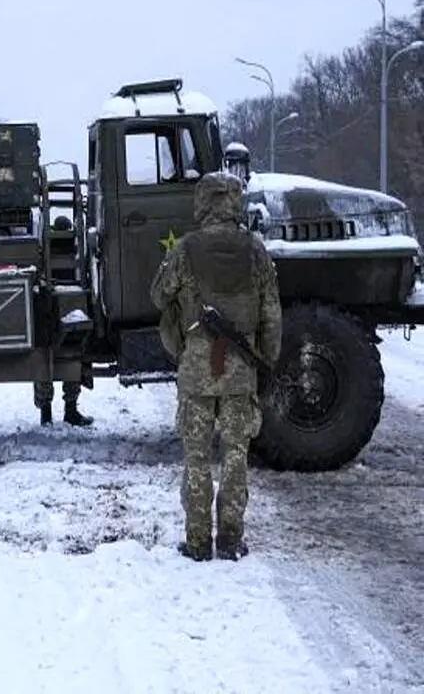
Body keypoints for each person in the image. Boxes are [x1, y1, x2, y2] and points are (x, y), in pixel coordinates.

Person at [149, 171, 281, 562]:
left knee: (197, 458)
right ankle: (230, 539)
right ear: (235, 202)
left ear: (203, 202)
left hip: (196, 370)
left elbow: (159, 296)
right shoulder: (256, 250)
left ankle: (196, 542)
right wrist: (267, 359)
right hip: (241, 370)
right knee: (236, 455)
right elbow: (271, 313)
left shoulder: (187, 249)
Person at [35, 214, 93, 427]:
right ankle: (70, 411)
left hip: (48, 310)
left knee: (44, 360)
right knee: (72, 357)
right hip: (72, 306)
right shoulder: (75, 250)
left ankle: (46, 414)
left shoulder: (44, 251)